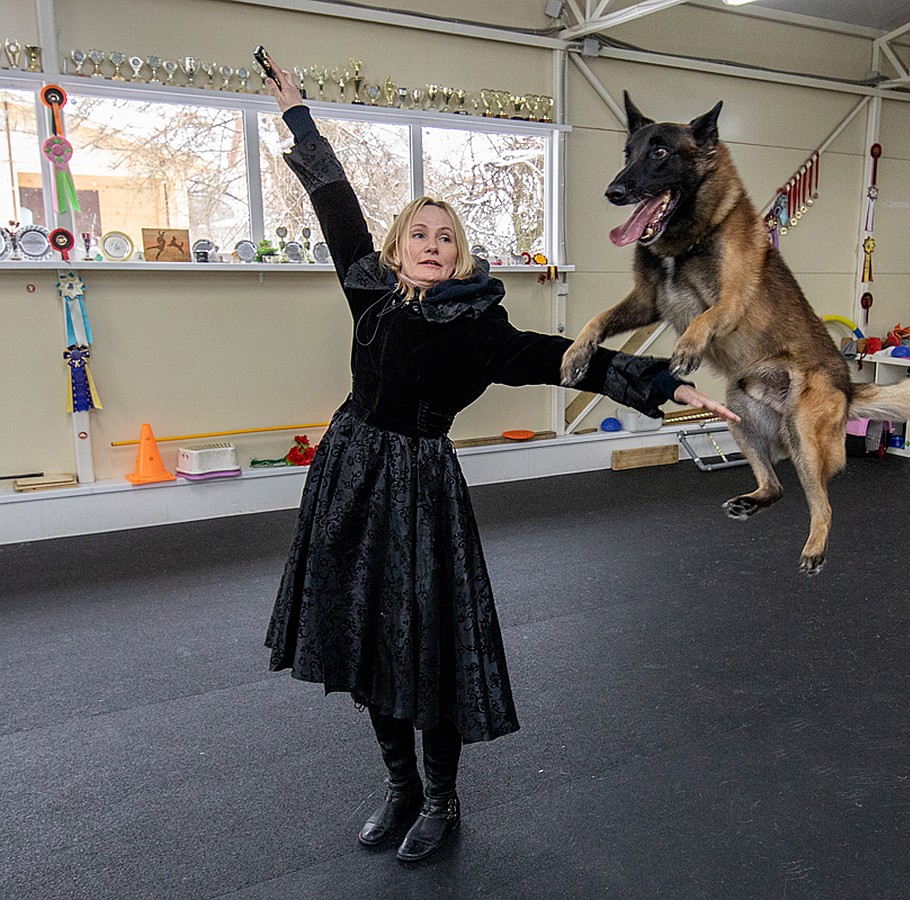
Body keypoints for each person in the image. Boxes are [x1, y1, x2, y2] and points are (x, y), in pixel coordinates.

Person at [260, 59, 739, 864]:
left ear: (461, 257)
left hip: (419, 491)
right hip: (348, 479)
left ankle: (442, 799)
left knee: (428, 650)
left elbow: (564, 357)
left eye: (445, 237)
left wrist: (660, 385)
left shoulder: (479, 330)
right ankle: (400, 789)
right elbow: (333, 199)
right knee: (368, 643)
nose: (431, 244)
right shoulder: (368, 293)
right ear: (397, 246)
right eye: (419, 232)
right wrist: (299, 116)